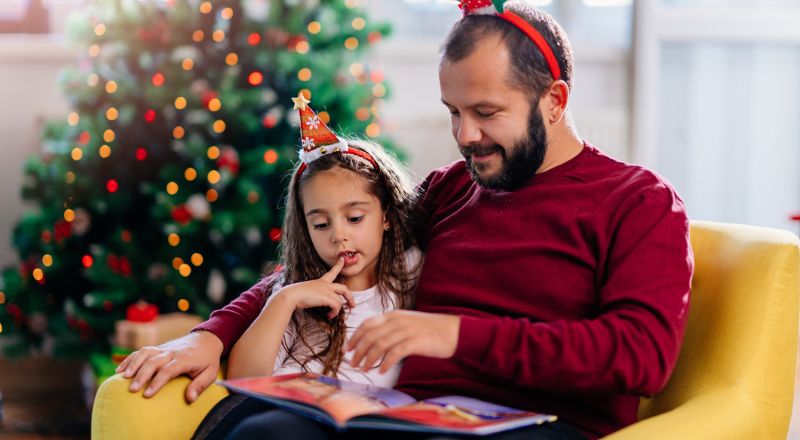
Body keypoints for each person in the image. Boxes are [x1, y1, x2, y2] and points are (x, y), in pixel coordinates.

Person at [116, 1, 693, 438]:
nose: (465, 136)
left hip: (539, 427)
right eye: (454, 113)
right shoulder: (452, 188)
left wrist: (454, 334)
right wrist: (211, 333)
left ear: (555, 99)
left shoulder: (637, 201)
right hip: (410, 417)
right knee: (260, 432)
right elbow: (343, 259)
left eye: (486, 113)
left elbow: (640, 355)